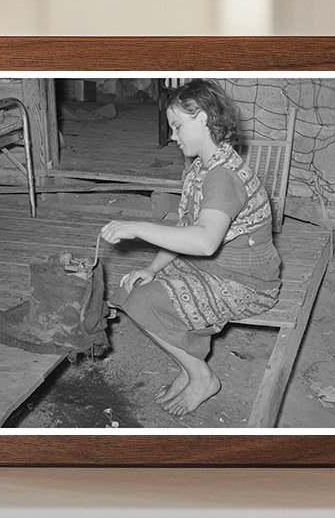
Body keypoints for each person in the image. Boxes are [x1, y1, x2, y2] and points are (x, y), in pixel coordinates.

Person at [100, 80, 281, 417]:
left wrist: (138, 228)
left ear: (203, 119)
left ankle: (201, 377)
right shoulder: (202, 167)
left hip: (246, 282)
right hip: (214, 267)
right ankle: (188, 366)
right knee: (132, 288)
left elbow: (205, 240)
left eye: (178, 126)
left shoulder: (222, 176)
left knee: (143, 301)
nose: (173, 136)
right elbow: (186, 230)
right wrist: (152, 268)